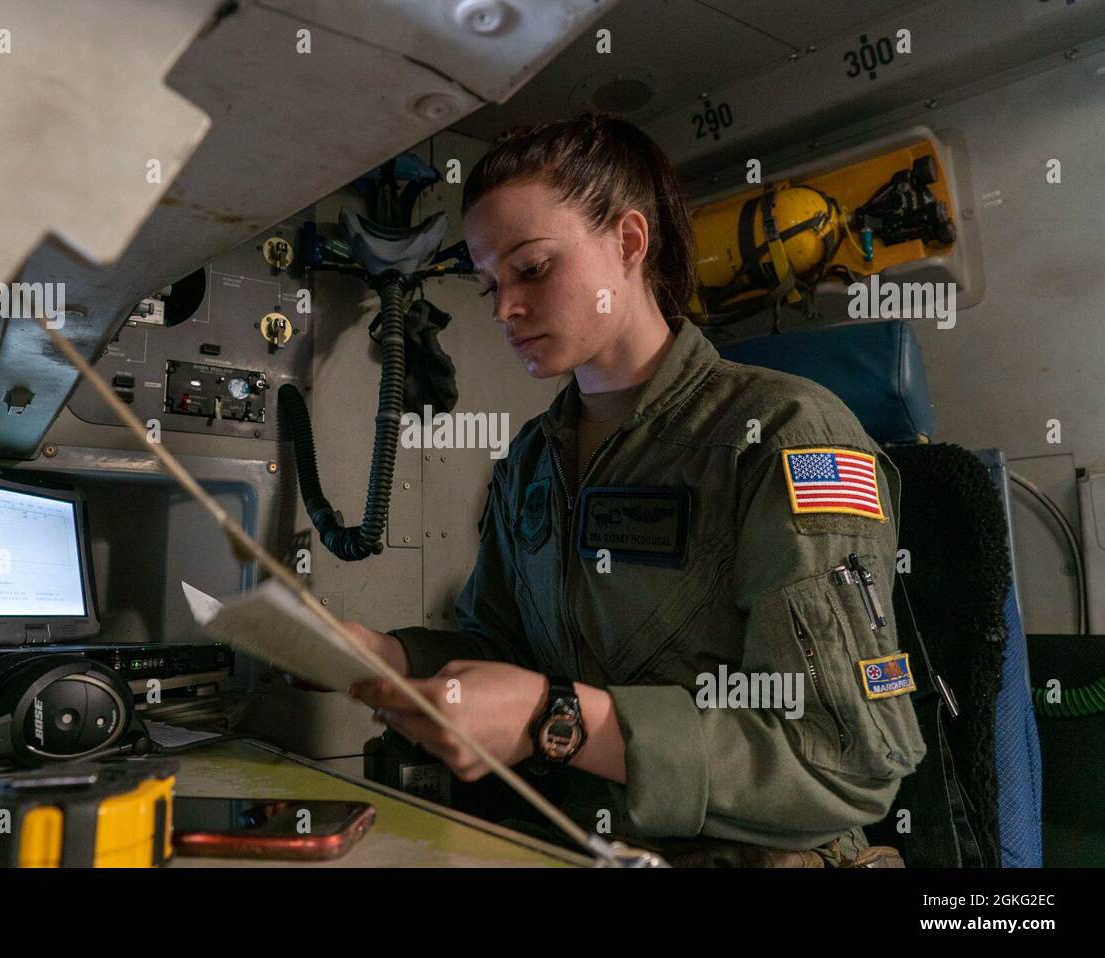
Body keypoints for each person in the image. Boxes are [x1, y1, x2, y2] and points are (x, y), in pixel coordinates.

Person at [344, 113, 926, 867]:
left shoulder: (787, 434)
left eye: (532, 269)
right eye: (489, 285)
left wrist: (557, 719)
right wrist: (389, 657)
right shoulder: (532, 458)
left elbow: (843, 760)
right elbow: (504, 646)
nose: (503, 310)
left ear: (627, 242)